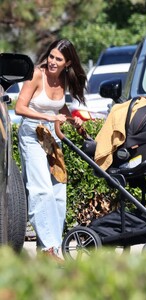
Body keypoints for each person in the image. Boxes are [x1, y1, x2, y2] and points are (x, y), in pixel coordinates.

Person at [15, 39, 87, 260]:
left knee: (58, 194)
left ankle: (52, 248)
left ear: (68, 63)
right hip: (31, 134)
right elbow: (19, 107)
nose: (53, 62)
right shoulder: (37, 75)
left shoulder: (65, 79)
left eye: (59, 59)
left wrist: (72, 119)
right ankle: (49, 248)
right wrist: (47, 116)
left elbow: (58, 107)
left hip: (51, 136)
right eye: (51, 56)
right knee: (41, 190)